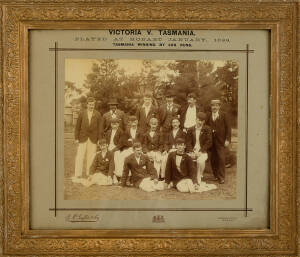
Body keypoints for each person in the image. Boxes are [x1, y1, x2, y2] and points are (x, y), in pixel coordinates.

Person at [73, 97, 102, 181]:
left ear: (94, 104)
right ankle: (78, 174)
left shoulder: (98, 114)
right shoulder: (82, 113)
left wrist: (99, 139)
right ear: (87, 104)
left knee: (91, 156)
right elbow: (77, 127)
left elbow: (100, 128)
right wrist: (76, 138)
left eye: (93, 105)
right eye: (90, 104)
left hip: (93, 138)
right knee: (80, 156)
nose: (91, 106)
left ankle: (89, 173)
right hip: (82, 138)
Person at [206, 99, 231, 184]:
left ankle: (221, 177)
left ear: (219, 106)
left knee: (221, 159)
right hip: (211, 142)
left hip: (221, 141)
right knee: (213, 159)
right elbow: (206, 127)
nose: (214, 107)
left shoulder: (224, 115)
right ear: (211, 106)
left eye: (216, 105)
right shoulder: (208, 115)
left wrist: (227, 139)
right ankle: (216, 175)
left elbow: (228, 128)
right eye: (213, 105)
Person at [186, 112, 212, 184]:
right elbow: (188, 142)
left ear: (204, 121)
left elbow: (209, 142)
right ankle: (189, 176)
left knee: (200, 161)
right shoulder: (190, 129)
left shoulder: (207, 129)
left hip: (203, 151)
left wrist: (201, 151)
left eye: (202, 121)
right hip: (192, 151)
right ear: (196, 119)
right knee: (186, 159)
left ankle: (200, 175)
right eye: (199, 120)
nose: (200, 122)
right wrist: (191, 152)